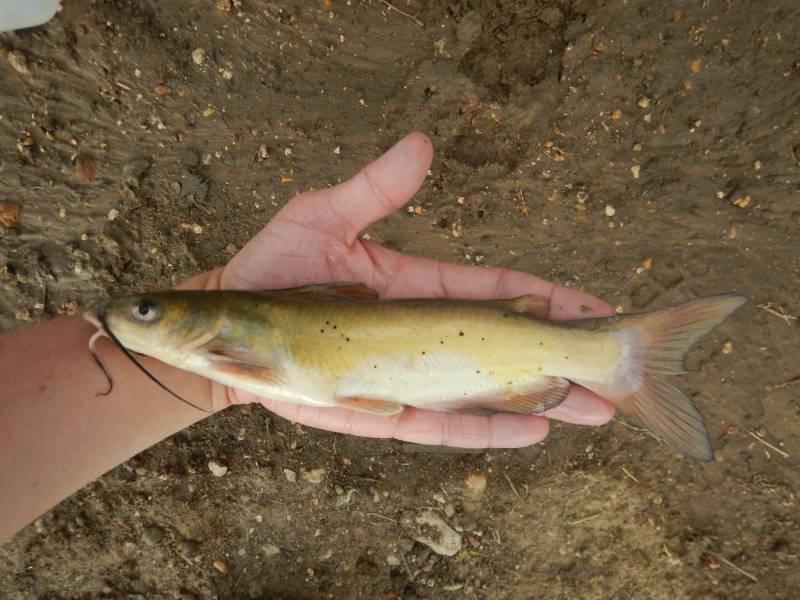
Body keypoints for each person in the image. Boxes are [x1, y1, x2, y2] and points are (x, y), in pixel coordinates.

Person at [0, 132, 615, 541]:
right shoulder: (212, 351)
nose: (132, 317)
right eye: (144, 310)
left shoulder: (219, 348)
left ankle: (614, 354)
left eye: (145, 311)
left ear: (201, 319)